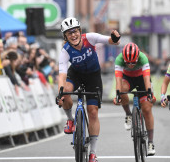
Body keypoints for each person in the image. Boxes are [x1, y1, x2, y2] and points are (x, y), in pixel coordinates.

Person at [56, 17, 120, 162]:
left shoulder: (90, 38)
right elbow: (62, 74)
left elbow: (109, 41)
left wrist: (114, 38)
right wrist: (60, 92)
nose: (73, 35)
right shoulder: (65, 50)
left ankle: (93, 152)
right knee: (65, 91)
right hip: (76, 74)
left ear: (80, 31)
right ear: (65, 37)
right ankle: (70, 120)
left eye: (75, 31)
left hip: (93, 76)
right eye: (69, 33)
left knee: (92, 111)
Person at [112, 42, 156, 156]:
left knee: (147, 109)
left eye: (133, 62)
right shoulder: (119, 59)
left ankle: (150, 142)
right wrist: (118, 96)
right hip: (127, 79)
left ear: (138, 57)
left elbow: (147, 79)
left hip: (142, 79)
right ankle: (128, 114)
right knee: (121, 90)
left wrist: (150, 94)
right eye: (128, 63)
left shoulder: (143, 58)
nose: (131, 65)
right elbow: (118, 80)